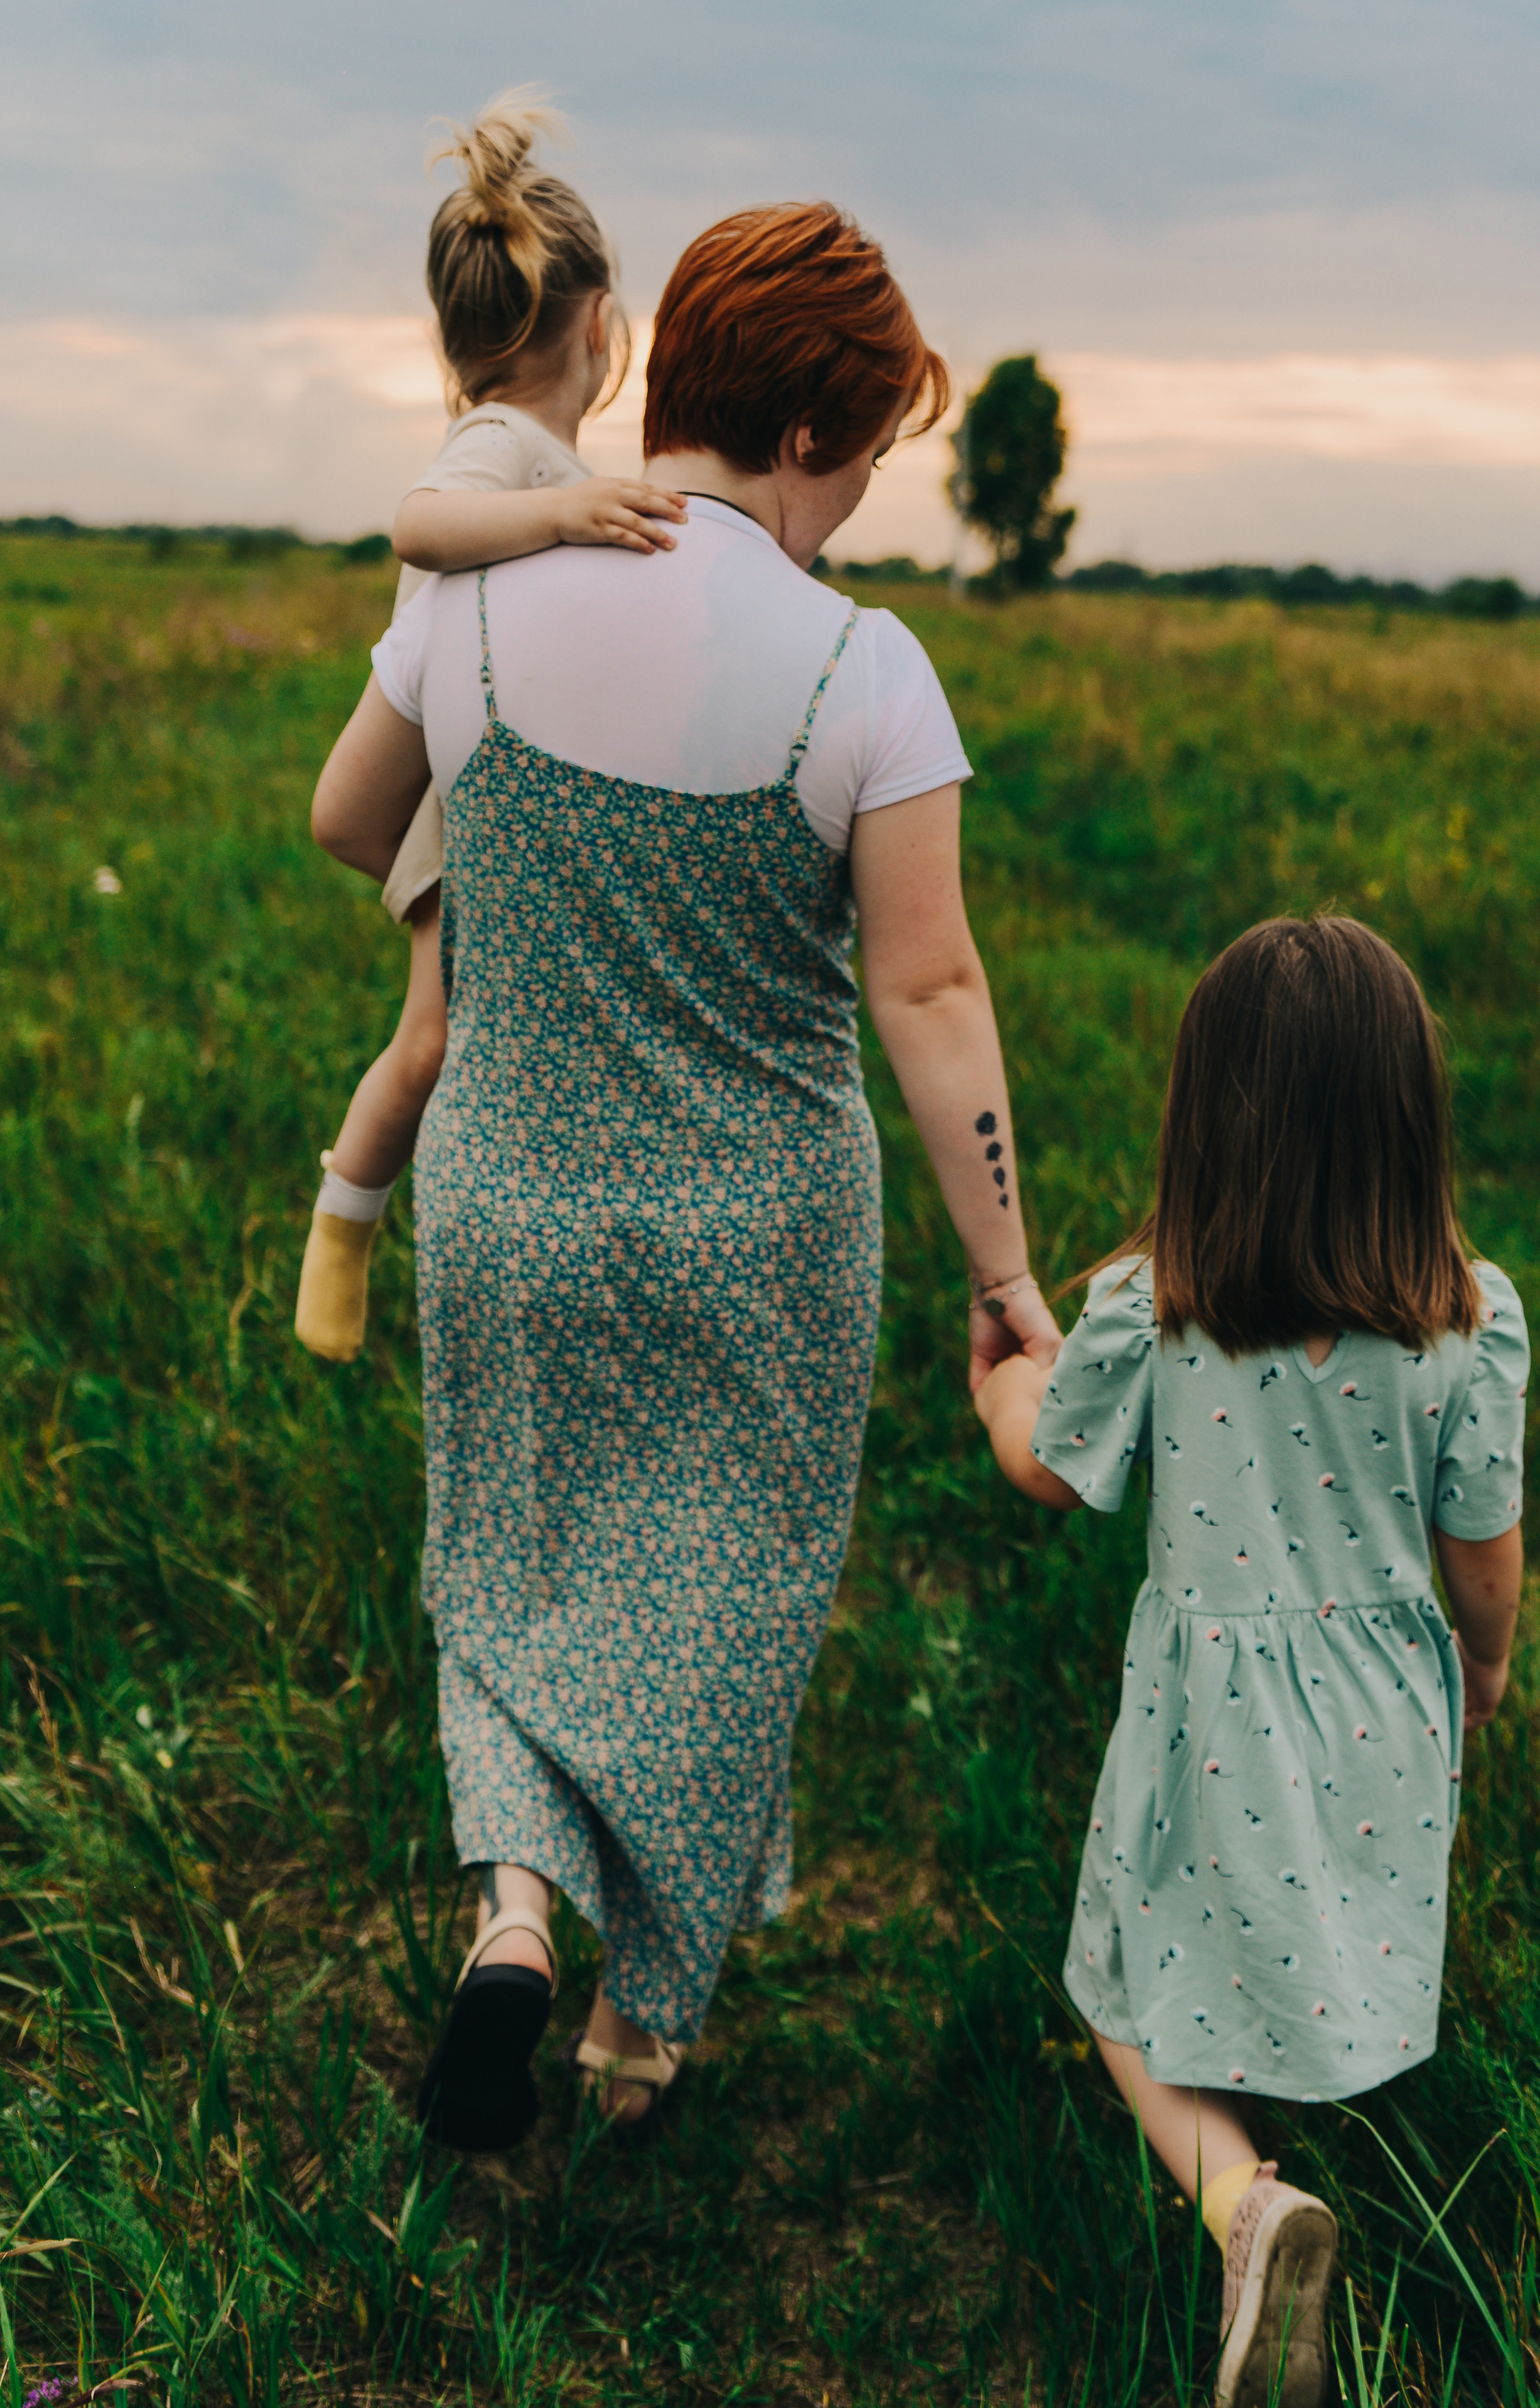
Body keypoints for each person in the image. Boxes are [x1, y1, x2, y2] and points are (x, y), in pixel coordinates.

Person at [309, 197, 1061, 2149]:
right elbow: (932, 988)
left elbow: (347, 816)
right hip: (761, 1243)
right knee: (723, 1607)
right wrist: (1008, 1274)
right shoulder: (863, 671)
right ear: (815, 434)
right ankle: (642, 2035)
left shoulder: (475, 592)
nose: (865, 499)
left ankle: (521, 1910)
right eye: (874, 453)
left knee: (514, 1574)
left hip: (511, 1205)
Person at [976, 915, 1527, 2408]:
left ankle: (1243, 2205)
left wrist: (998, 1382)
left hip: (1207, 1712)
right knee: (1311, 1902)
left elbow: (1046, 1465)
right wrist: (1481, 1667)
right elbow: (1481, 1543)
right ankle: (1301, 2101)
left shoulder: (1150, 1310)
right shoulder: (1469, 1323)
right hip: (1379, 1711)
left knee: (1118, 1981)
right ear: (1408, 1122)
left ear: (1200, 1123)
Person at [294, 89, 686, 1364]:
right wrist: (563, 517)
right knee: (431, 1040)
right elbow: (417, 522)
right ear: (596, 327)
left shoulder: (541, 460)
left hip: (484, 791)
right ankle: (344, 1219)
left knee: (475, 1037)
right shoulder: (504, 449)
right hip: (450, 808)